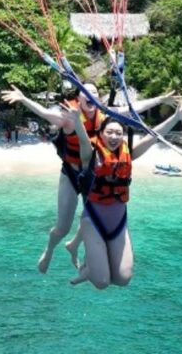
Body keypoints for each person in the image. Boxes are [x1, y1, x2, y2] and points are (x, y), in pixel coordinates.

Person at [0, 81, 107, 273]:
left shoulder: (105, 115)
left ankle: (73, 246)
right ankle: (49, 250)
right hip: (71, 174)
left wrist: (162, 99)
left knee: (94, 216)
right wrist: (24, 99)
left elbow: (133, 109)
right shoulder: (68, 118)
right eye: (86, 93)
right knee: (62, 227)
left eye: (94, 92)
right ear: (78, 98)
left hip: (91, 174)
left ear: (98, 98)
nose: (91, 95)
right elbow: (44, 113)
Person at [66, 114, 133, 289]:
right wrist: (77, 122)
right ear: (101, 133)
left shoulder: (127, 152)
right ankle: (88, 270)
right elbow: (82, 140)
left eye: (118, 133)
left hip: (118, 222)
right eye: (109, 132)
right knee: (102, 282)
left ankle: (83, 251)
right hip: (93, 219)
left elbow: (153, 135)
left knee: (123, 279)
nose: (114, 137)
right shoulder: (91, 154)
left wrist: (176, 117)